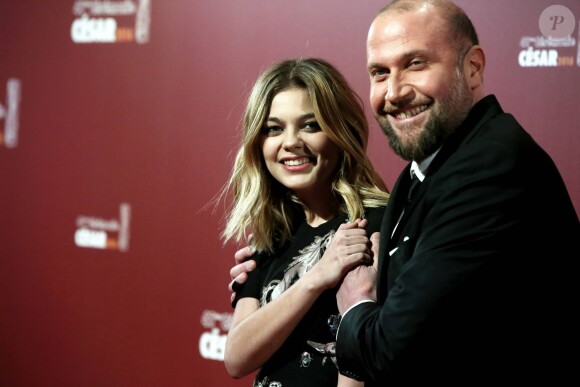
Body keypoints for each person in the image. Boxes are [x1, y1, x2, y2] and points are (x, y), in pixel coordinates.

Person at [229, 0, 579, 384]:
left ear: (473, 67)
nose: (394, 91)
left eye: (416, 63)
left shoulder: (488, 170)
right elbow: (237, 358)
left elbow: (388, 349)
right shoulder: (421, 175)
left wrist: (354, 298)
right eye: (380, 72)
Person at [221, 58, 389, 386]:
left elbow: (362, 366)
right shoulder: (272, 235)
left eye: (310, 125)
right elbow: (237, 358)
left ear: (342, 131)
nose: (291, 142)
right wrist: (318, 276)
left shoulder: (373, 226)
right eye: (274, 128)